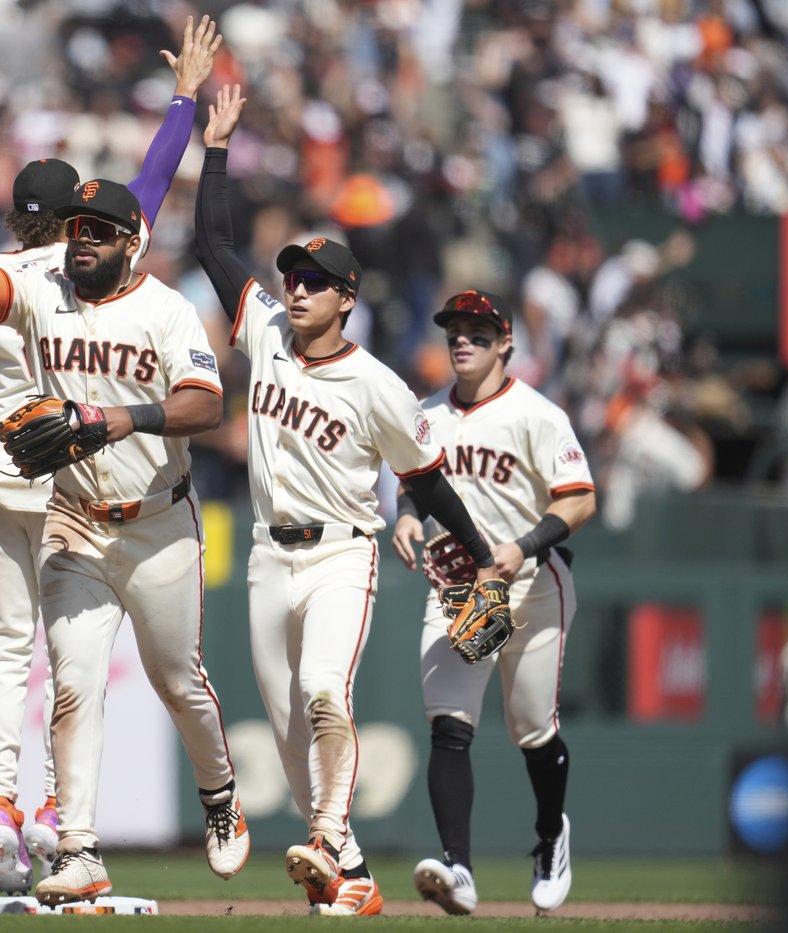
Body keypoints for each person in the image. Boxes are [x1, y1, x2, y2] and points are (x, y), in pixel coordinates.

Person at [192, 85, 508, 917]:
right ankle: (355, 873)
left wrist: (477, 548)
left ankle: (328, 837)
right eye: (293, 273)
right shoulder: (262, 330)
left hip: (340, 552)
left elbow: (427, 479)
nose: (295, 287)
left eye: (316, 280)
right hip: (268, 552)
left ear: (347, 298)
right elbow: (210, 241)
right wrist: (216, 146)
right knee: (293, 730)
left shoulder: (380, 386)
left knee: (327, 694)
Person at [0, 16, 222, 896]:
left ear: (21, 216)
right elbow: (155, 180)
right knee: (69, 666)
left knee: (5, 654)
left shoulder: (11, 274)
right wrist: (183, 101)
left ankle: (3, 810)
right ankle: (63, 818)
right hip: (68, 476)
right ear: (77, 220)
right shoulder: (93, 260)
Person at [391, 289, 597, 916]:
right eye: (455, 330)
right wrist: (404, 517)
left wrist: (523, 545)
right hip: (465, 593)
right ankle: (459, 870)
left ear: (506, 343)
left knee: (532, 730)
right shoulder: (425, 412)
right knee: (449, 725)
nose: (463, 340)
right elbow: (412, 485)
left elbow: (580, 499)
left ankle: (549, 835)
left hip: (531, 587)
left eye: (478, 332)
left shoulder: (536, 414)